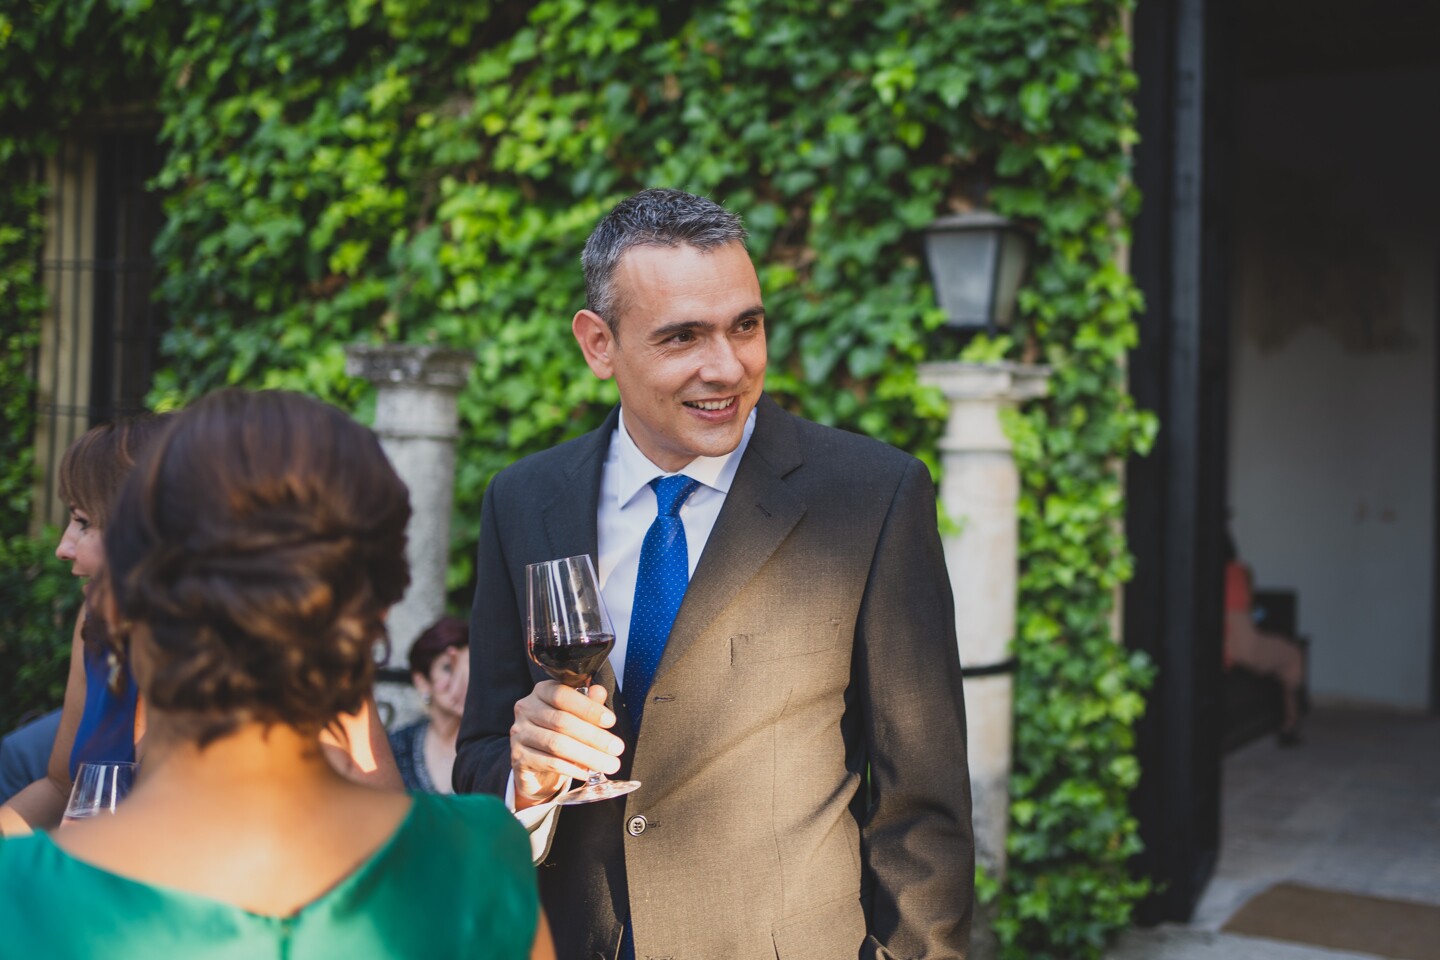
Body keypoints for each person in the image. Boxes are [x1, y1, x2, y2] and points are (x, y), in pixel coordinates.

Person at [455, 189, 974, 959]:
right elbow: (482, 751)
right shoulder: (523, 500)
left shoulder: (872, 496)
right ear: (599, 344)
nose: (727, 366)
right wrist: (524, 785)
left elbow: (922, 807)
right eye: (683, 336)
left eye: (746, 325)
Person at [0, 389, 554, 959]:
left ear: (116, 605)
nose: (68, 551)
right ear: (375, 614)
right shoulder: (480, 857)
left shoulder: (20, 897)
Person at [0, 416, 403, 840]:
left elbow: (379, 821)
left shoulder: (292, 643)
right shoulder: (98, 627)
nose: (63, 548)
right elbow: (63, 787)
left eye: (83, 522)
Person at [1225, 536, 1306, 745]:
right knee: (1293, 652)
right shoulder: (1238, 572)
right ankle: (1290, 725)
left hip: (1226, 646)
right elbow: (1248, 613)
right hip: (1241, 649)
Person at [389, 617, 470, 793]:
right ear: (422, 682)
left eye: (468, 667)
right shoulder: (397, 746)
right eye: (448, 668)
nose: (461, 680)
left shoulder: (493, 744)